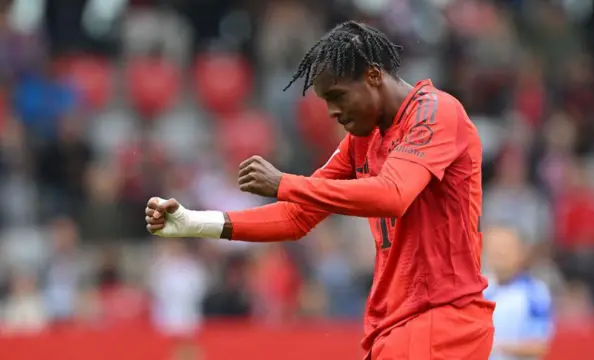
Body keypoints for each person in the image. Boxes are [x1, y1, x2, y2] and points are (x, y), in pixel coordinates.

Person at [145, 21, 494, 360]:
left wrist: (285, 183)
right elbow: (298, 217)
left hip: (441, 319)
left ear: (374, 76)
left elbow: (393, 195)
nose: (331, 112)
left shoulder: (435, 112)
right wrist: (193, 223)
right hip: (396, 325)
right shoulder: (363, 139)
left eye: (338, 96)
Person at [483, 226, 553, 360]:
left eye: (506, 247)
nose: (500, 253)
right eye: (494, 247)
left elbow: (539, 345)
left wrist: (496, 346)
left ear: (521, 252)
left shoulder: (535, 293)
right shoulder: (477, 291)